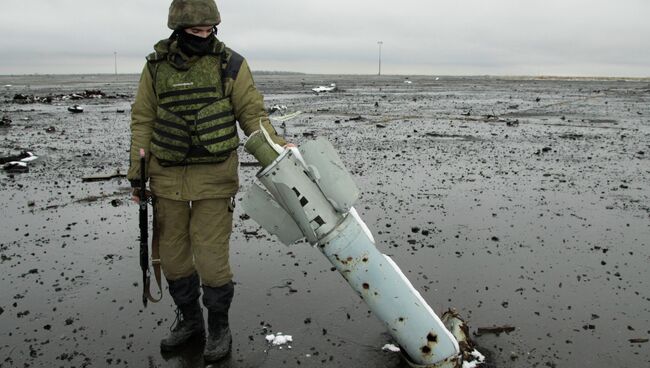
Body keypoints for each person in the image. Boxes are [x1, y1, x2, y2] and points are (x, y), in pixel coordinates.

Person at [127, 0, 286, 362]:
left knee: (213, 259)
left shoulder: (231, 64)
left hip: (215, 179)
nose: (204, 36)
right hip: (166, 178)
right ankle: (189, 321)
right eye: (196, 31)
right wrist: (137, 176)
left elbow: (252, 113)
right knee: (173, 258)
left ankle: (218, 327)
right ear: (178, 30)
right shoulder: (154, 68)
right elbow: (143, 120)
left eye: (209, 30)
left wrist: (278, 150)